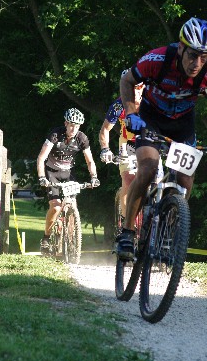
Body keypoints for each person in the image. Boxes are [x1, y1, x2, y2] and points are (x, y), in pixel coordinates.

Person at [117, 17, 207, 260]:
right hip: (151, 118)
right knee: (149, 167)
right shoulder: (158, 59)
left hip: (183, 124)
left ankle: (170, 229)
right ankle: (127, 233)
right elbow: (127, 80)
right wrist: (131, 113)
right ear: (181, 47)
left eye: (203, 57)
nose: (197, 63)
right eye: (193, 55)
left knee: (185, 180)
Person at [37, 107, 100, 255]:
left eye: (77, 126)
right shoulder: (55, 135)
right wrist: (42, 177)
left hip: (68, 174)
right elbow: (41, 158)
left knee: (73, 205)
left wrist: (94, 177)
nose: (73, 128)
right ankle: (46, 238)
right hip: (51, 172)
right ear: (65, 123)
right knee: (56, 207)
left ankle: (71, 240)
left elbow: (90, 161)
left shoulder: (82, 138)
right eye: (71, 124)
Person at [98, 74, 145, 220]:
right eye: (129, 88)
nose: (134, 92)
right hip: (127, 143)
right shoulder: (119, 105)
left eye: (138, 88)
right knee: (129, 178)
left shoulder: (152, 102)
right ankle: (127, 224)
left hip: (147, 142)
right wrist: (105, 149)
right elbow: (105, 130)